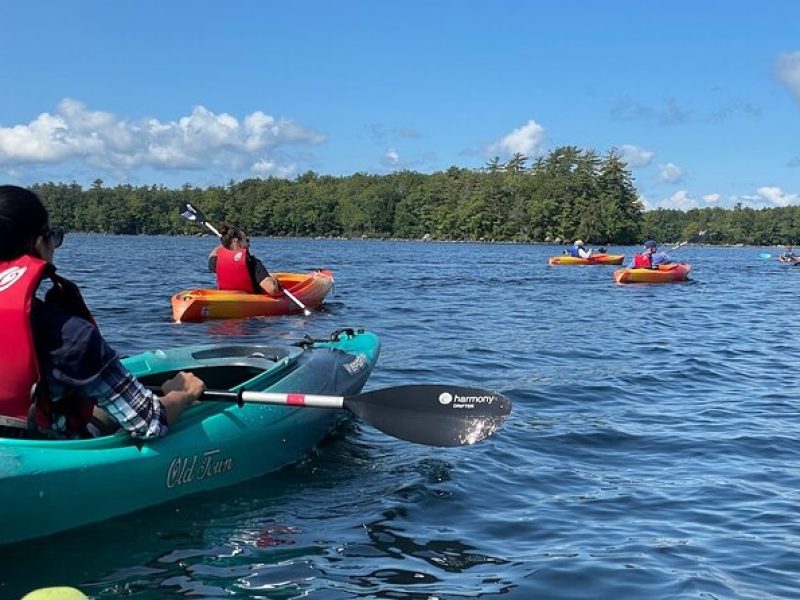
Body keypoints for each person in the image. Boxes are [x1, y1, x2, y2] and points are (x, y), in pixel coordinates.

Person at [0, 185, 205, 439]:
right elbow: (151, 422)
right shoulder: (68, 336)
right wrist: (181, 394)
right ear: (39, 243)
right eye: (54, 236)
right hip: (40, 455)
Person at [208, 224, 282, 296]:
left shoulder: (218, 261)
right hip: (250, 301)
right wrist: (274, 279)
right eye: (246, 240)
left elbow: (212, 255)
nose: (249, 244)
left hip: (227, 298)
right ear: (236, 241)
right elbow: (272, 290)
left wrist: (226, 243)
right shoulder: (252, 262)